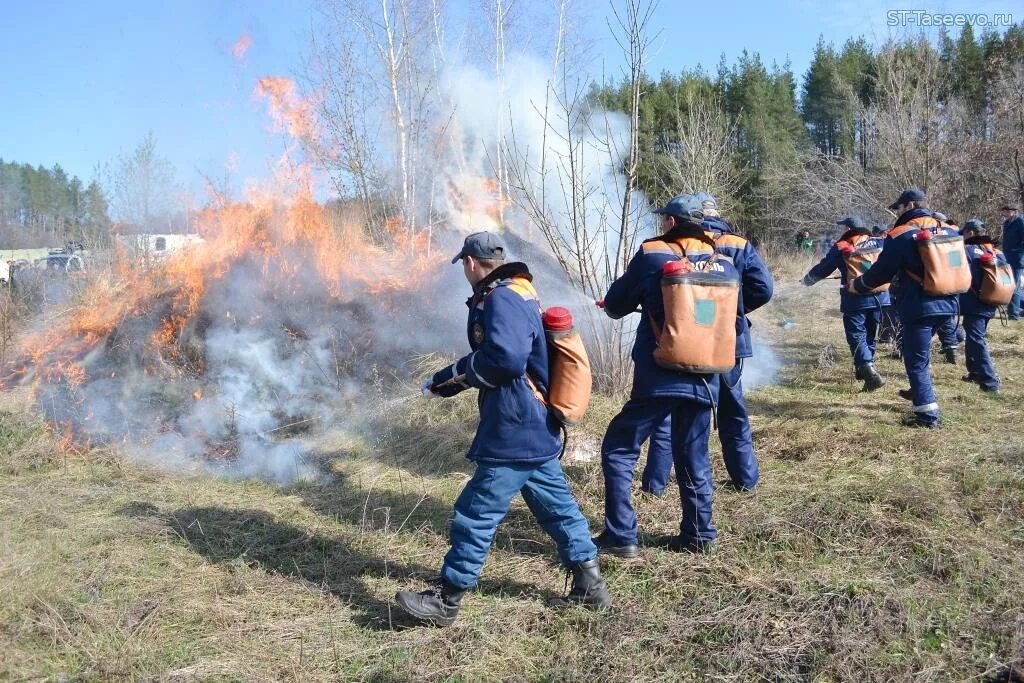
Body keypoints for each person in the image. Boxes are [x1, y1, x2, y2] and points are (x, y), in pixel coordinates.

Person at [395, 231, 609, 626]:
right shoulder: (518, 291)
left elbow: (506, 360)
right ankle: (590, 586)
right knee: (559, 510)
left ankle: (448, 599)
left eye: (464, 265)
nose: (464, 271)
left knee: (475, 513)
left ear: (472, 263)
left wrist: (455, 375)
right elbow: (501, 356)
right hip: (532, 427)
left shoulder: (502, 298)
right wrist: (447, 381)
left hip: (514, 425)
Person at [593, 194, 730, 559]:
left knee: (620, 448)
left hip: (659, 372)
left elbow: (616, 304)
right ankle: (700, 536)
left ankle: (621, 536)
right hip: (707, 374)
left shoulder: (653, 253)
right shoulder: (724, 260)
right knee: (694, 454)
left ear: (671, 223)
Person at [640, 192, 773, 496]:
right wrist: (732, 311)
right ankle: (745, 479)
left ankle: (655, 485)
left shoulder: (668, 245)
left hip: (677, 340)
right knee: (732, 409)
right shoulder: (736, 244)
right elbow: (763, 289)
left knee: (666, 411)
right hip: (725, 342)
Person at [850, 188, 959, 428]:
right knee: (917, 352)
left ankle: (927, 416)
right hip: (949, 302)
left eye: (897, 207)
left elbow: (882, 272)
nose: (895, 212)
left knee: (915, 360)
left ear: (909, 206)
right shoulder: (949, 229)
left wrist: (858, 284)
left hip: (920, 306)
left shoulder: (900, 234)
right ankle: (919, 389)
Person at [802, 216, 889, 391]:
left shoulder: (843, 245)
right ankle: (865, 369)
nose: (841, 231)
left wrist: (808, 280)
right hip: (881, 296)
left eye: (843, 228)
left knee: (856, 334)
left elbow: (825, 267)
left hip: (855, 298)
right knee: (870, 333)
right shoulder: (879, 241)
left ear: (849, 229)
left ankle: (869, 372)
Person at [959, 219, 1002, 392]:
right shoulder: (993, 250)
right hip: (991, 300)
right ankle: (975, 371)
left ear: (969, 233)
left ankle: (990, 381)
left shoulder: (966, 250)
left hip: (973, 302)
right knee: (974, 334)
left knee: (977, 338)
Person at [1001, 203, 1024, 320]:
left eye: (1007, 211)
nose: (1005, 213)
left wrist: (1018, 252)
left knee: (1015, 286)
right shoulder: (1006, 223)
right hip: (1007, 258)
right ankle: (1013, 310)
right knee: (1010, 285)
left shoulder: (1020, 222)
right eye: (1004, 211)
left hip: (1017, 259)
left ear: (1013, 211)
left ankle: (1014, 314)